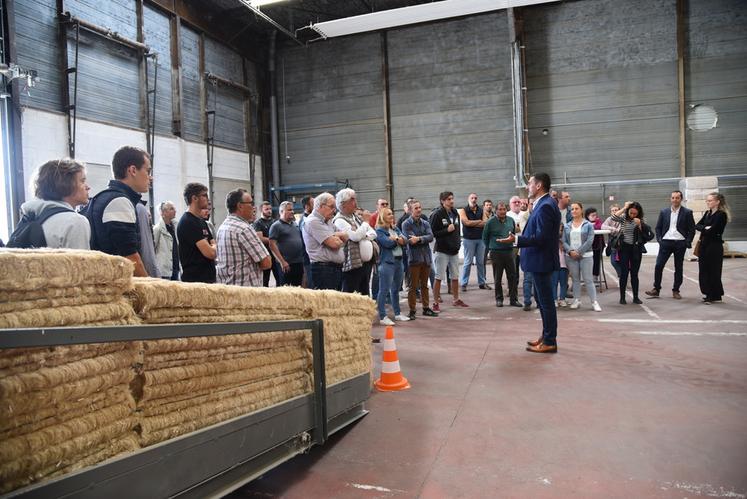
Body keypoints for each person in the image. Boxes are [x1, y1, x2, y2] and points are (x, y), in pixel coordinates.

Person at [500, 173, 560, 353]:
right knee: (542, 302)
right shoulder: (544, 204)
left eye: (530, 184)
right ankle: (546, 336)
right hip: (539, 260)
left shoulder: (546, 206)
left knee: (546, 302)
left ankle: (550, 341)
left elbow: (542, 237)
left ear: (539, 185)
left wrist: (518, 240)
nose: (528, 187)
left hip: (541, 260)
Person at [87, 146, 151, 276]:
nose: (150, 177)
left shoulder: (105, 197)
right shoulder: (119, 202)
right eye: (148, 171)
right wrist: (152, 291)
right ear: (133, 170)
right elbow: (131, 258)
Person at [18, 158, 90, 249]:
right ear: (65, 184)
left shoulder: (30, 217)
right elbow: (80, 262)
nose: (88, 187)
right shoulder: (75, 222)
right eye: (82, 181)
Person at [646, 191, 696, 300]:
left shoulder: (687, 212)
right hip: (666, 243)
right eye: (673, 197)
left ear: (681, 199)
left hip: (680, 243)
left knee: (678, 267)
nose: (675, 200)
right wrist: (660, 240)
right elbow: (658, 227)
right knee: (659, 265)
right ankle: (656, 289)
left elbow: (692, 229)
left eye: (677, 198)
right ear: (670, 199)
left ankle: (676, 290)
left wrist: (687, 242)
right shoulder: (664, 212)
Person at [215, 189, 271, 287]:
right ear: (240, 206)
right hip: (246, 293)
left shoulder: (222, 227)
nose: (253, 208)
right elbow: (266, 263)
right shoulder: (244, 229)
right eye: (250, 203)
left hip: (227, 289)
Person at [333, 188, 376, 295]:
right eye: (352, 200)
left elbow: (373, 233)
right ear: (343, 204)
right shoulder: (339, 220)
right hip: (351, 266)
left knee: (365, 294)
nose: (355, 202)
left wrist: (363, 235)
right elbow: (355, 237)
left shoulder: (355, 217)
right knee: (351, 295)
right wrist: (365, 223)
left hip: (363, 264)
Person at [430, 191, 468, 310]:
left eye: (452, 198)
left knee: (455, 276)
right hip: (442, 251)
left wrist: (458, 242)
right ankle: (435, 302)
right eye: (448, 199)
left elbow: (457, 230)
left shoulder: (455, 212)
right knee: (439, 277)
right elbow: (432, 233)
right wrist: (446, 230)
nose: (451, 201)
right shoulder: (437, 214)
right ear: (442, 201)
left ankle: (456, 299)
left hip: (454, 250)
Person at [302, 192, 348, 290]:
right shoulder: (313, 221)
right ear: (321, 206)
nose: (334, 210)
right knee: (328, 304)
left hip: (334, 269)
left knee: (336, 303)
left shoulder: (328, 221)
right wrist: (335, 237)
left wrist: (333, 235)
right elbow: (334, 244)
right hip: (324, 270)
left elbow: (346, 236)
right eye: (331, 207)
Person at [611, 202, 654, 304]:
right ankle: (622, 297)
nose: (632, 215)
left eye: (635, 213)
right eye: (631, 213)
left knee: (634, 274)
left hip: (636, 249)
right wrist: (625, 207)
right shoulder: (623, 218)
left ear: (638, 213)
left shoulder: (641, 221)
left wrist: (640, 225)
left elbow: (648, 236)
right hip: (624, 248)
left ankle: (636, 297)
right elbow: (613, 217)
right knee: (624, 274)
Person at [402, 199, 438, 319]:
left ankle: (426, 308)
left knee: (424, 285)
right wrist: (420, 239)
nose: (419, 210)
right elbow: (409, 240)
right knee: (413, 287)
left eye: (419, 207)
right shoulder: (406, 224)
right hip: (414, 259)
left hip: (426, 258)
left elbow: (431, 237)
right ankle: (412, 311)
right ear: (410, 210)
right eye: (416, 208)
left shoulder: (425, 223)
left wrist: (419, 239)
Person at [563, 202, 602, 312]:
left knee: (588, 279)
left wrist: (579, 252)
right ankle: (577, 300)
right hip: (570, 256)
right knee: (575, 280)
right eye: (572, 209)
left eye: (576, 208)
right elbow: (564, 241)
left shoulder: (588, 225)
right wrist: (571, 251)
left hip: (586, 256)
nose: (574, 211)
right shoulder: (567, 226)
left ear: (581, 210)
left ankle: (594, 302)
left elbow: (590, 240)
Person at [375, 208, 410, 326]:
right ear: (383, 217)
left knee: (396, 290)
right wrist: (397, 239)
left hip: (399, 262)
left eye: (392, 213)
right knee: (384, 290)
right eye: (389, 214)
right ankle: (382, 316)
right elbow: (387, 243)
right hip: (387, 263)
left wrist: (395, 239)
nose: (392, 215)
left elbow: (405, 240)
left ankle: (398, 313)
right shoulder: (379, 231)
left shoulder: (395, 228)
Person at [177, 182, 217, 283]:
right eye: (204, 195)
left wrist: (213, 247)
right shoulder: (188, 222)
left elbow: (214, 245)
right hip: (195, 282)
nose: (207, 199)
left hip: (207, 279)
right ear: (194, 198)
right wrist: (213, 247)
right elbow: (211, 253)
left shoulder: (201, 221)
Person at [483, 201, 520, 307]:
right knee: (497, 277)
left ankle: (514, 299)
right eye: (500, 209)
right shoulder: (490, 222)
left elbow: (513, 234)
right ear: (496, 210)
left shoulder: (511, 221)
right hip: (496, 253)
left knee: (512, 276)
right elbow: (485, 237)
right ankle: (499, 299)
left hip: (509, 252)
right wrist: (490, 247)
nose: (502, 211)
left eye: (504, 209)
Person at [696, 192, 729, 304]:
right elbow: (697, 225)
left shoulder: (721, 215)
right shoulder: (707, 213)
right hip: (704, 245)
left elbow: (714, 230)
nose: (708, 202)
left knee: (713, 271)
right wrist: (706, 228)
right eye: (707, 200)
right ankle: (710, 294)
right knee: (703, 270)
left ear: (717, 202)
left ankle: (713, 295)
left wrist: (705, 228)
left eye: (710, 200)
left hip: (714, 246)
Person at [269, 201, 304, 286]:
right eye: (289, 210)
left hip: (298, 263)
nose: (292, 212)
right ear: (281, 212)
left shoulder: (295, 224)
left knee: (298, 288)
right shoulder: (276, 226)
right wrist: (282, 262)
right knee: (285, 289)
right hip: (286, 264)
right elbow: (272, 245)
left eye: (292, 210)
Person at [459, 193, 489, 291]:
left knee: (480, 262)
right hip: (469, 240)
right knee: (468, 262)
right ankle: (464, 283)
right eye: (472, 198)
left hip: (481, 239)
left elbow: (485, 223)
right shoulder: (463, 210)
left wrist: (472, 223)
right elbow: (465, 222)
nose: (474, 199)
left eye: (475, 198)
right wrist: (478, 221)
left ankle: (482, 283)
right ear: (468, 199)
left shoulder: (481, 210)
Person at [253, 201, 281, 287]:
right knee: (265, 280)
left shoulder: (275, 222)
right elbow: (260, 238)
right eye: (266, 209)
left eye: (270, 209)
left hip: (276, 254)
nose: (269, 211)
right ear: (261, 210)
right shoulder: (258, 223)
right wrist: (273, 241)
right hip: (265, 254)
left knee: (279, 278)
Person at [153, 201, 180, 280]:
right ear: (164, 212)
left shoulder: (175, 227)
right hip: (164, 271)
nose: (175, 211)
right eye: (171, 209)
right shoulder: (157, 229)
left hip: (175, 267)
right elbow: (153, 248)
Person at [136, 201, 159, 277]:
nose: (150, 217)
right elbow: (147, 248)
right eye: (148, 216)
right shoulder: (140, 208)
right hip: (146, 270)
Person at [602, 204, 622, 278]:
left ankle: (623, 277)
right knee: (613, 262)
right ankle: (621, 275)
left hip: (622, 244)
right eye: (612, 210)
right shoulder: (609, 219)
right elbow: (603, 226)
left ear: (620, 210)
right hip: (613, 244)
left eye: (616, 210)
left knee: (622, 262)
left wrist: (612, 230)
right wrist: (613, 229)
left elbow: (621, 230)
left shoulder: (623, 218)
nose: (614, 212)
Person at [585, 207, 605, 281]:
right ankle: (587, 277)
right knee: (587, 261)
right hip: (588, 246)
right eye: (592, 215)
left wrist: (593, 225)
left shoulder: (598, 221)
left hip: (598, 245)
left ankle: (595, 276)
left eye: (595, 215)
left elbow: (599, 226)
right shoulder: (584, 222)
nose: (595, 217)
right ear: (588, 216)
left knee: (596, 261)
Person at [298, 195, 314, 288]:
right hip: (309, 258)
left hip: (312, 258)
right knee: (312, 285)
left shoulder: (312, 218)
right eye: (313, 204)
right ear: (307, 207)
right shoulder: (305, 220)